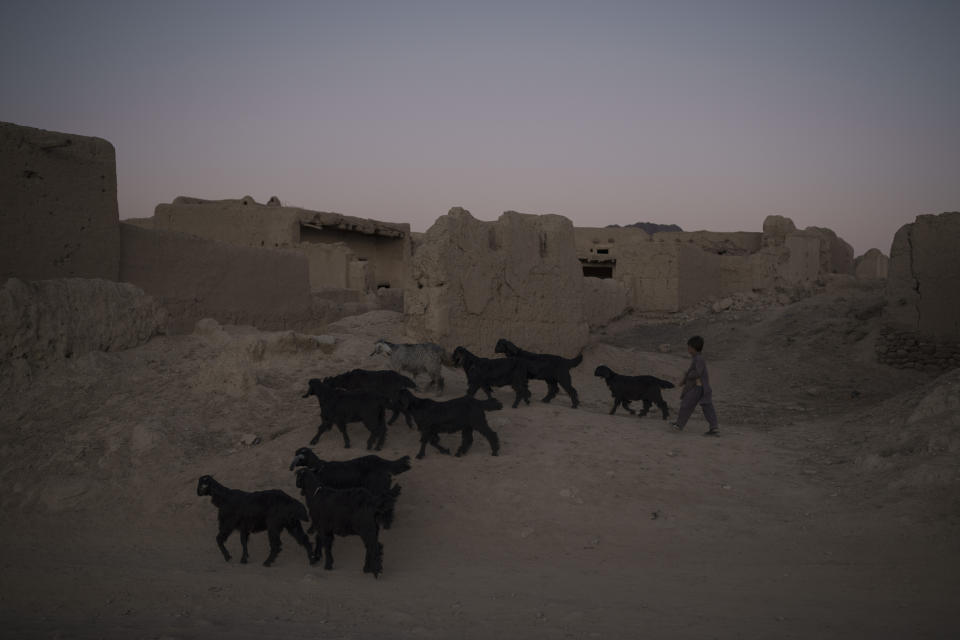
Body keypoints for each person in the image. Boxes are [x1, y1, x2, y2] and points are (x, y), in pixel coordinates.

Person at [671, 335, 719, 436]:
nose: (688, 350)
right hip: (701, 388)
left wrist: (688, 375)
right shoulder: (697, 358)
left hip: (698, 388)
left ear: (693, 348)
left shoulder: (699, 359)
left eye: (688, 347)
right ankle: (714, 428)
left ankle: (679, 425)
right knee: (706, 407)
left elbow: (697, 372)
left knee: (687, 405)